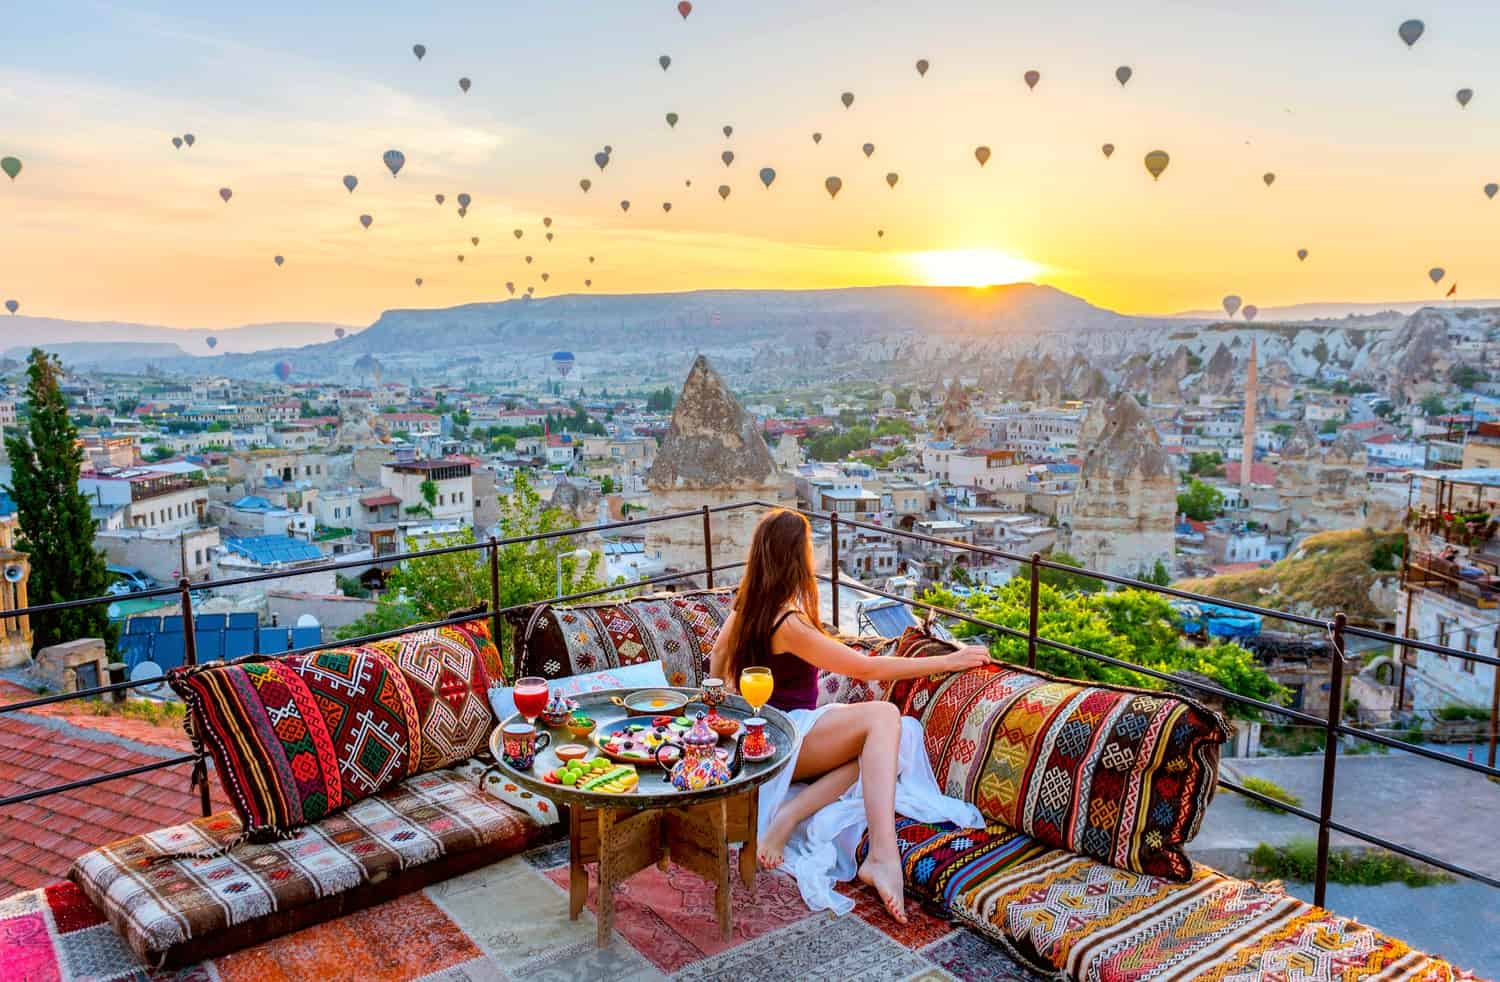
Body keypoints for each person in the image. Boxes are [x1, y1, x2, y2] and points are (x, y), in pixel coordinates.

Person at [709, 509, 992, 923]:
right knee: (884, 718)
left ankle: (790, 813)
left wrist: (722, 718)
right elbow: (863, 669)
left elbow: (717, 656)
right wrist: (950, 662)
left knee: (893, 738)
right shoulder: (787, 622)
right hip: (787, 735)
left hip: (762, 731)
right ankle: (882, 853)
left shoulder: (748, 604)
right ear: (797, 557)